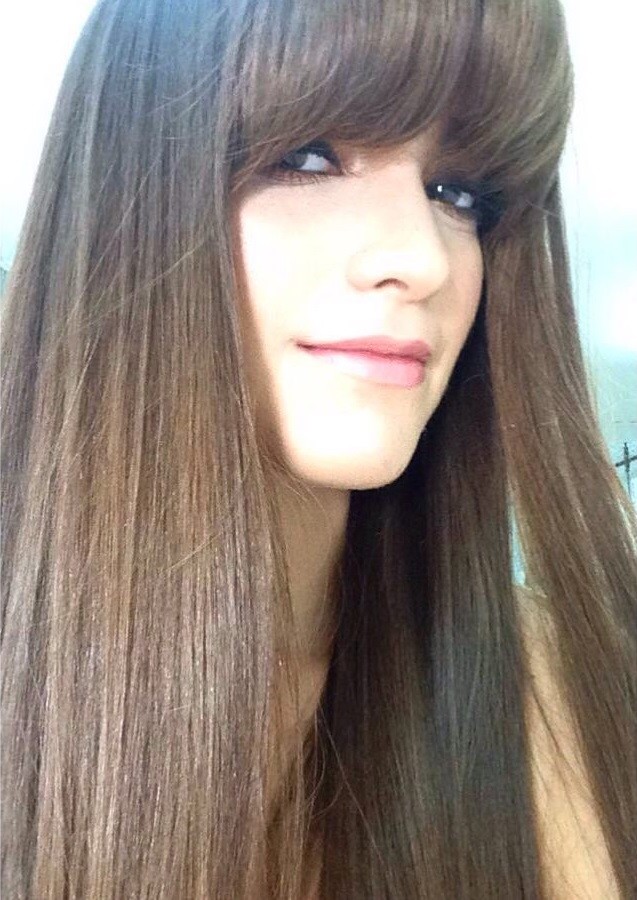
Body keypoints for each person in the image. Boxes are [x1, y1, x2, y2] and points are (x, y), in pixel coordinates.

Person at [1, 0, 635, 897]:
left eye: (457, 193)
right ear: (127, 203)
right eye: (307, 157)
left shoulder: (557, 691)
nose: (422, 258)